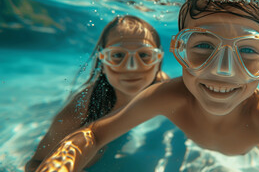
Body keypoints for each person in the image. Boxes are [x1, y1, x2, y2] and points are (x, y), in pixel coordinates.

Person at [35, 0, 259, 172]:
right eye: (203, 46)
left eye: (248, 51)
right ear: (177, 50)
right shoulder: (168, 96)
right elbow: (93, 134)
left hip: (253, 153)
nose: (223, 72)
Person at [26, 15, 168, 171]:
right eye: (118, 55)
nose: (132, 67)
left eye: (144, 55)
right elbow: (35, 164)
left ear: (158, 59)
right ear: (103, 61)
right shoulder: (79, 113)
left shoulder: (161, 85)